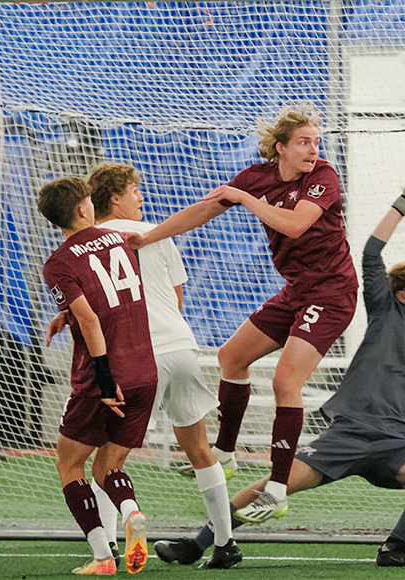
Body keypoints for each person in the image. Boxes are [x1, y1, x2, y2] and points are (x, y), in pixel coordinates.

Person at [152, 161, 405, 568]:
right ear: (401, 294)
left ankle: (394, 548)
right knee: (271, 485)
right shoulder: (386, 312)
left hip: (397, 447)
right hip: (346, 438)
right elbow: (372, 250)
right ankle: (198, 545)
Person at [127, 103, 359, 523]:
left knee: (287, 381)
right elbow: (204, 208)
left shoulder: (322, 176)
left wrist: (246, 199)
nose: (313, 149)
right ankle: (226, 451)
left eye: (316, 142)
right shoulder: (258, 178)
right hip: (296, 291)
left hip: (332, 293)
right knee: (231, 358)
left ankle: (276, 489)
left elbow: (294, 225)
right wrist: (147, 237)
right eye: (304, 142)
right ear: (281, 148)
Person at [46, 162, 241, 569]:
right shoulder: (152, 233)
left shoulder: (80, 248)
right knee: (200, 450)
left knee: (102, 459)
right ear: (110, 199)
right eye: (135, 189)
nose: (142, 196)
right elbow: (176, 296)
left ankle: (108, 548)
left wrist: (68, 313)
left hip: (129, 357)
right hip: (181, 348)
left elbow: (94, 308)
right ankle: (224, 544)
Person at [39, 177, 157, 575]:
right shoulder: (118, 239)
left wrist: (104, 378)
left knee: (69, 464)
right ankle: (130, 511)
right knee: (109, 468)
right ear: (85, 209)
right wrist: (66, 314)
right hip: (145, 371)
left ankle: (104, 558)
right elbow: (109, 297)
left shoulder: (58, 262)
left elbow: (90, 317)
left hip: (103, 379)